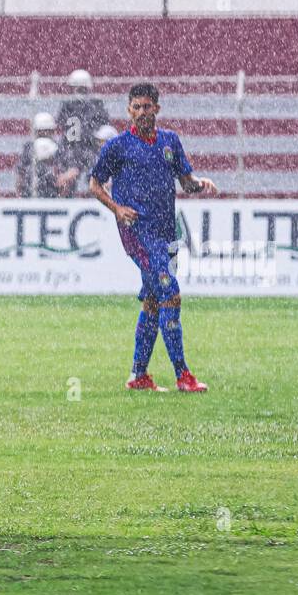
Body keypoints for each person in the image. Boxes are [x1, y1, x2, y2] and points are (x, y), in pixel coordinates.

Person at [89, 83, 218, 393]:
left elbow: (185, 182)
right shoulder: (118, 146)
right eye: (137, 107)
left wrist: (200, 184)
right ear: (129, 110)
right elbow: (95, 184)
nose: (142, 112)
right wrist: (117, 208)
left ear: (157, 108)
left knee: (153, 301)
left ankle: (138, 375)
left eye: (148, 107)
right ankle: (183, 375)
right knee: (170, 293)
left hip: (165, 232)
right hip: (137, 232)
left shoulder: (170, 142)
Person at [16, 112, 76, 197]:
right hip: (31, 192)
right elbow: (20, 174)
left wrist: (63, 177)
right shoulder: (29, 148)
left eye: (47, 131)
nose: (44, 133)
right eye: (41, 131)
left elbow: (73, 170)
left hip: (54, 194)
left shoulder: (59, 149)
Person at [56, 68, 111, 146]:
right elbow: (105, 124)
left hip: (69, 147)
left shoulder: (67, 105)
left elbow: (60, 122)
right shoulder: (96, 105)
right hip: (91, 146)